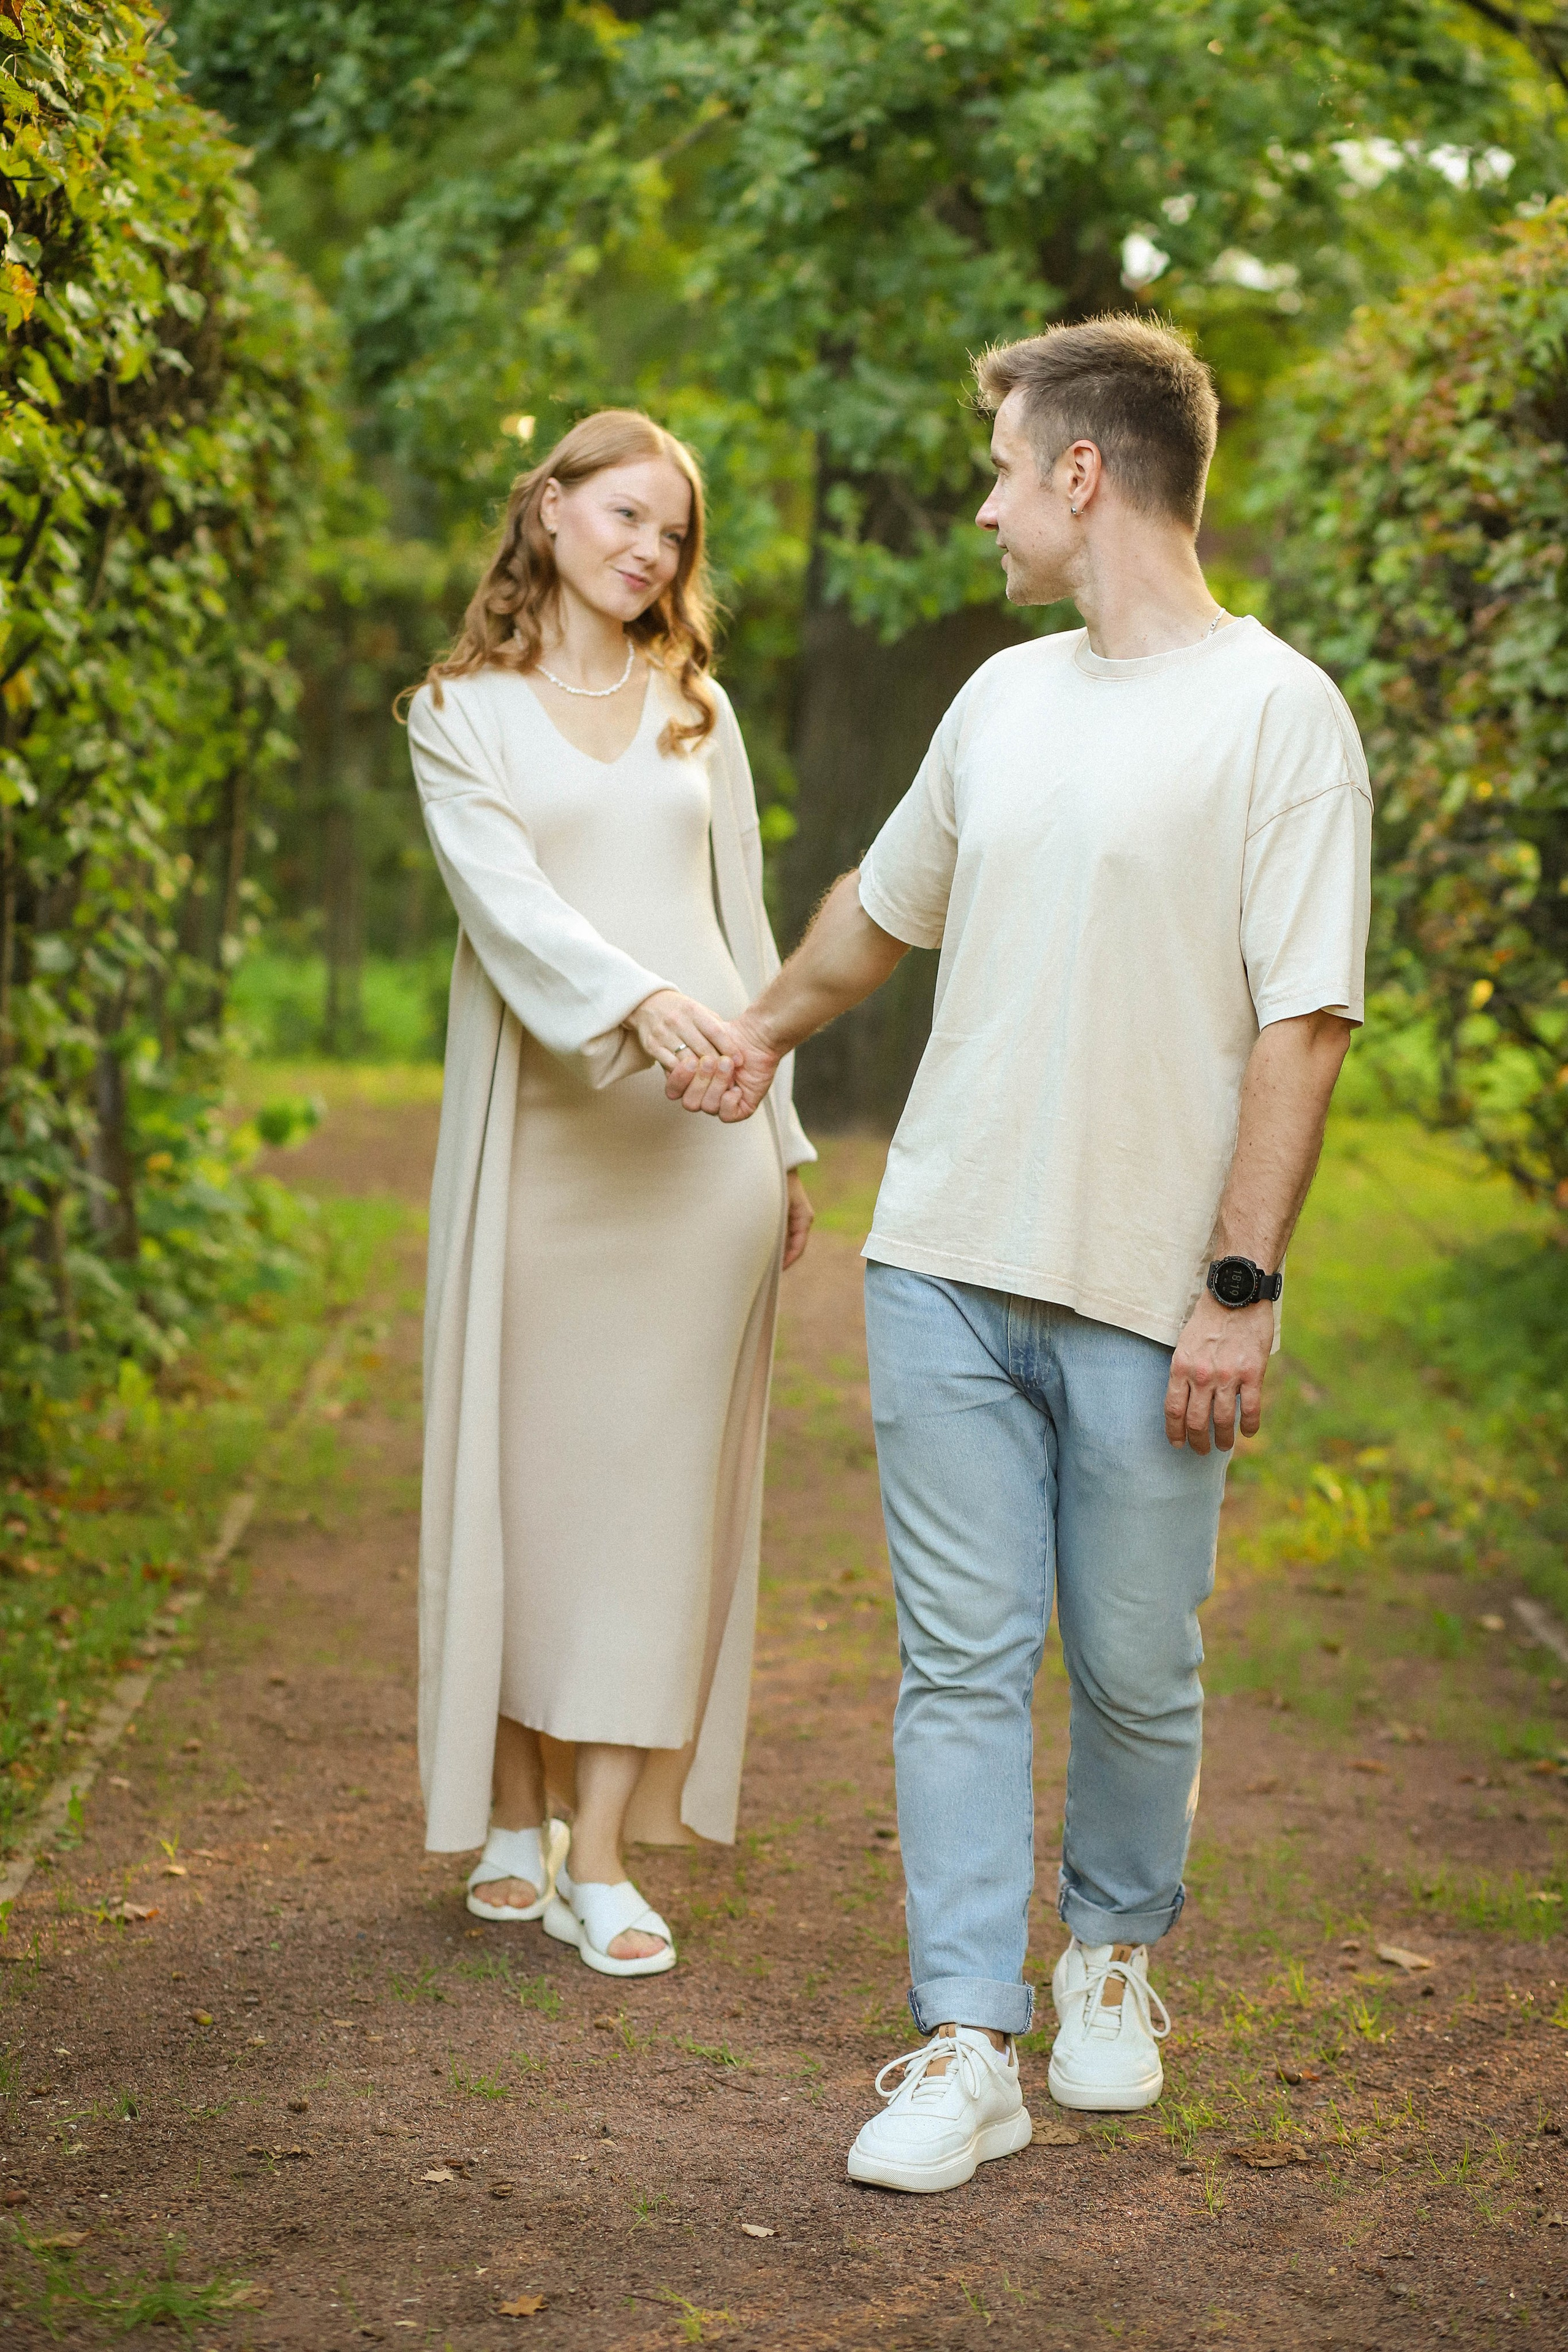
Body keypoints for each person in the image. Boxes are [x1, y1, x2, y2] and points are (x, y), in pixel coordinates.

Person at [677, 317, 1371, 2185]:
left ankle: (1113, 1954)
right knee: (962, 1662)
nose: (984, 509)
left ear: (1083, 472)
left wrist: (1239, 1291)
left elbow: (1306, 1022)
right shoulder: (998, 700)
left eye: (1000, 471)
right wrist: (758, 1031)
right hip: (945, 1262)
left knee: (1137, 1663)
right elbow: (880, 909)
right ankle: (967, 2041)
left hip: (1153, 1299)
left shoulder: (1280, 715)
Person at [404, 409, 814, 1980]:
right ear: (551, 508)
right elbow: (504, 907)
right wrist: (636, 1001)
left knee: (653, 1497)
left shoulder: (697, 709)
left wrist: (783, 1139)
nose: (650, 550)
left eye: (675, 533)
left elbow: (749, 926)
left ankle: (607, 1853)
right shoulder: (457, 716)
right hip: (542, 1142)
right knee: (529, 1479)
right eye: (627, 515)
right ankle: (514, 1814)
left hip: (704, 1148)